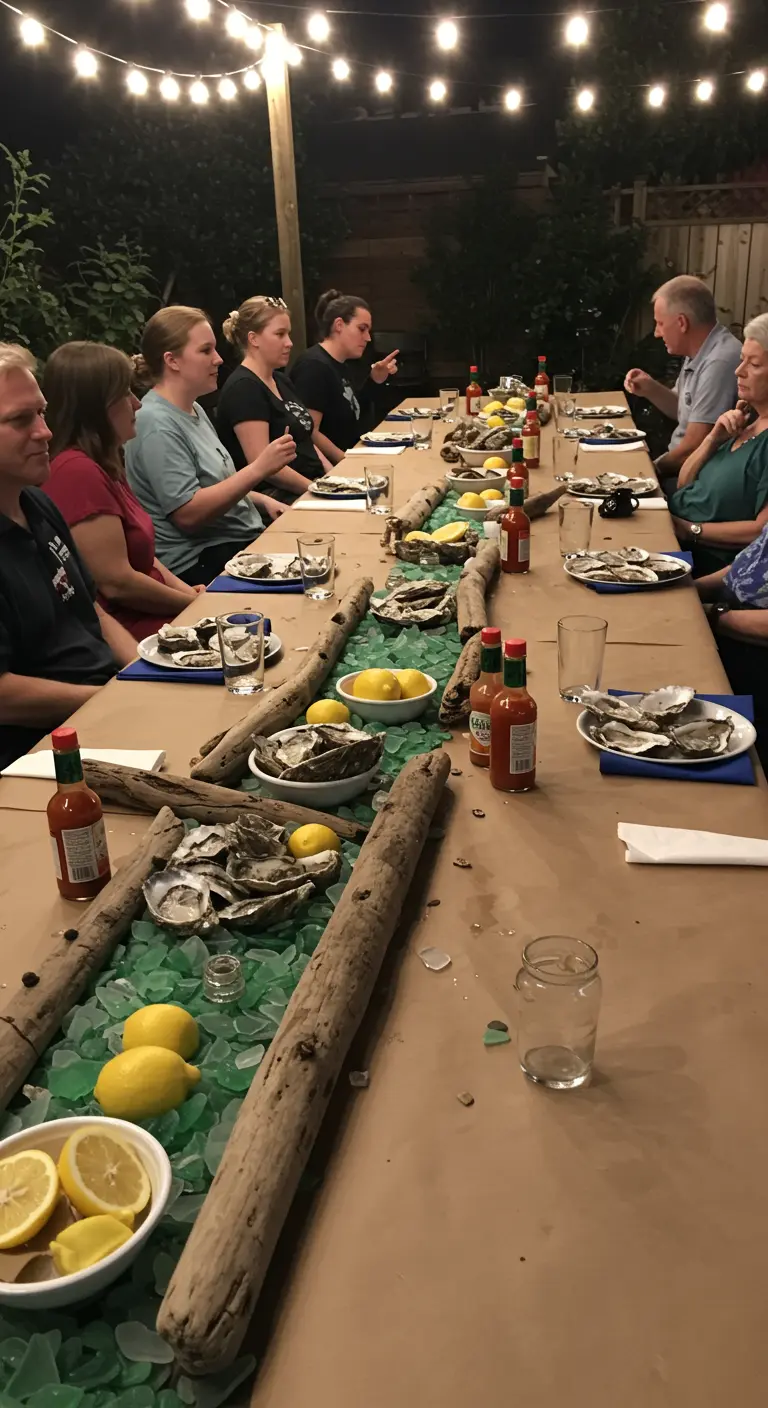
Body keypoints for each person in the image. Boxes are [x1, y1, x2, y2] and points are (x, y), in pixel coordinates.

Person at [0, 344, 137, 770]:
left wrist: (143, 670)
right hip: (40, 753)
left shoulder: (38, 504)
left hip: (105, 704)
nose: (44, 432)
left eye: (41, 413)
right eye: (21, 420)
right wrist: (115, 699)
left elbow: (88, 606)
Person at [42, 341, 203, 641]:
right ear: (93, 409)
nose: (137, 403)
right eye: (123, 395)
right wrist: (195, 605)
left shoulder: (105, 462)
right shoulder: (77, 472)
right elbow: (117, 583)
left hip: (160, 615)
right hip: (134, 635)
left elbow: (146, 560)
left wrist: (192, 596)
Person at [125, 307, 297, 587]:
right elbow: (188, 514)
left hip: (235, 546)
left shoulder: (193, 408)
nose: (218, 359)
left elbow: (218, 484)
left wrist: (264, 501)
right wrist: (259, 468)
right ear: (172, 360)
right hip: (201, 564)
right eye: (206, 351)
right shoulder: (155, 422)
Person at [667, 314, 768, 575]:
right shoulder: (746, 422)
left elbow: (760, 531)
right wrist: (712, 439)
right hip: (676, 536)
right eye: (742, 359)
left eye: (753, 364)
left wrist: (690, 530)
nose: (739, 370)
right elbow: (683, 484)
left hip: (706, 562)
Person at [624, 276, 742, 481]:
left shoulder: (718, 362)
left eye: (660, 323)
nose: (657, 333)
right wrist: (650, 388)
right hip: (678, 471)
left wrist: (649, 471)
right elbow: (683, 410)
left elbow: (693, 448)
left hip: (691, 480)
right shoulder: (700, 350)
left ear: (681, 323)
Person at [217, 296, 331, 503]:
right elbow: (263, 466)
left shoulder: (279, 379)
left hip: (311, 486)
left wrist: (333, 478)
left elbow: (304, 439)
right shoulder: (245, 388)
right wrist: (318, 490)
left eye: (288, 334)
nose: (289, 343)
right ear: (254, 339)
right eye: (280, 334)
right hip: (279, 497)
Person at [290, 290, 399, 462]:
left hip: (355, 454)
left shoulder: (341, 364)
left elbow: (354, 415)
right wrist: (346, 461)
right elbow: (310, 431)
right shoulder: (313, 366)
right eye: (362, 329)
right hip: (330, 471)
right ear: (339, 325)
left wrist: (375, 380)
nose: (368, 338)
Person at [696, 528, 768, 768]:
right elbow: (745, 566)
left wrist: (711, 616)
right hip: (728, 620)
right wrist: (688, 589)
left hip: (753, 660)